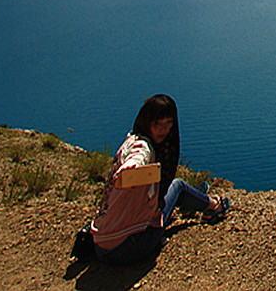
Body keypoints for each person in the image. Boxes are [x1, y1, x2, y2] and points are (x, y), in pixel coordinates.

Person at [89, 94, 229, 264]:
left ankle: (190, 201)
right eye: (157, 124)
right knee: (177, 186)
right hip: (127, 248)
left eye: (168, 123)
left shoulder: (130, 140)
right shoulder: (143, 149)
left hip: (101, 246)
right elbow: (138, 156)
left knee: (173, 190)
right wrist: (130, 168)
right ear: (147, 122)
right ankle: (214, 206)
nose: (163, 129)